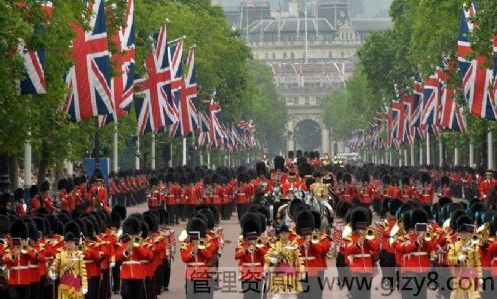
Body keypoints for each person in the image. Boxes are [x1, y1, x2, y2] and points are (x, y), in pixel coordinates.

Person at [48, 221, 88, 299]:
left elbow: (83, 272)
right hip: (64, 286)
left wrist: (85, 286)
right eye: (67, 242)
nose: (69, 244)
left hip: (76, 286)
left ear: (74, 242)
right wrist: (52, 273)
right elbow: (54, 266)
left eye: (71, 242)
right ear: (65, 243)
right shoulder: (60, 254)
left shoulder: (79, 255)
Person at [263, 224, 304, 299]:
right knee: (279, 296)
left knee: (291, 296)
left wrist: (301, 266)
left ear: (288, 234)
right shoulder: (275, 245)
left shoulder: (293, 245)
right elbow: (266, 257)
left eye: (286, 233)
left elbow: (299, 257)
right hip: (279, 274)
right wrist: (274, 260)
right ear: (279, 234)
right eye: (282, 233)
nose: (284, 235)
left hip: (291, 274)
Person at [235, 212, 268, 299]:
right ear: (246, 238)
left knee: (258, 296)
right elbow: (237, 256)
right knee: (247, 296)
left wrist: (258, 248)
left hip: (258, 274)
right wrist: (246, 250)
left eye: (254, 238)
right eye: (250, 239)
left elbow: (266, 255)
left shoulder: (260, 245)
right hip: (246, 275)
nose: (252, 240)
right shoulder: (243, 245)